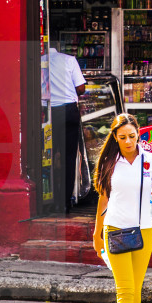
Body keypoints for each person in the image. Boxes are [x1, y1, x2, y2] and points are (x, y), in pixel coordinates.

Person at [91, 113, 152, 303]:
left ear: (139, 134)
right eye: (122, 137)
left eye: (132, 136)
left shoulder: (151, 160)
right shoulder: (110, 162)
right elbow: (103, 199)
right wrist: (97, 232)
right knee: (124, 289)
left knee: (136, 287)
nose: (128, 141)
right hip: (116, 230)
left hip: (145, 230)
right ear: (114, 137)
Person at [48, 46, 86, 213]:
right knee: (68, 158)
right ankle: (64, 202)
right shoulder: (69, 60)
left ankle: (47, 198)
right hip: (69, 111)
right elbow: (81, 88)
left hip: (47, 113)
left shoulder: (40, 61)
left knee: (46, 157)